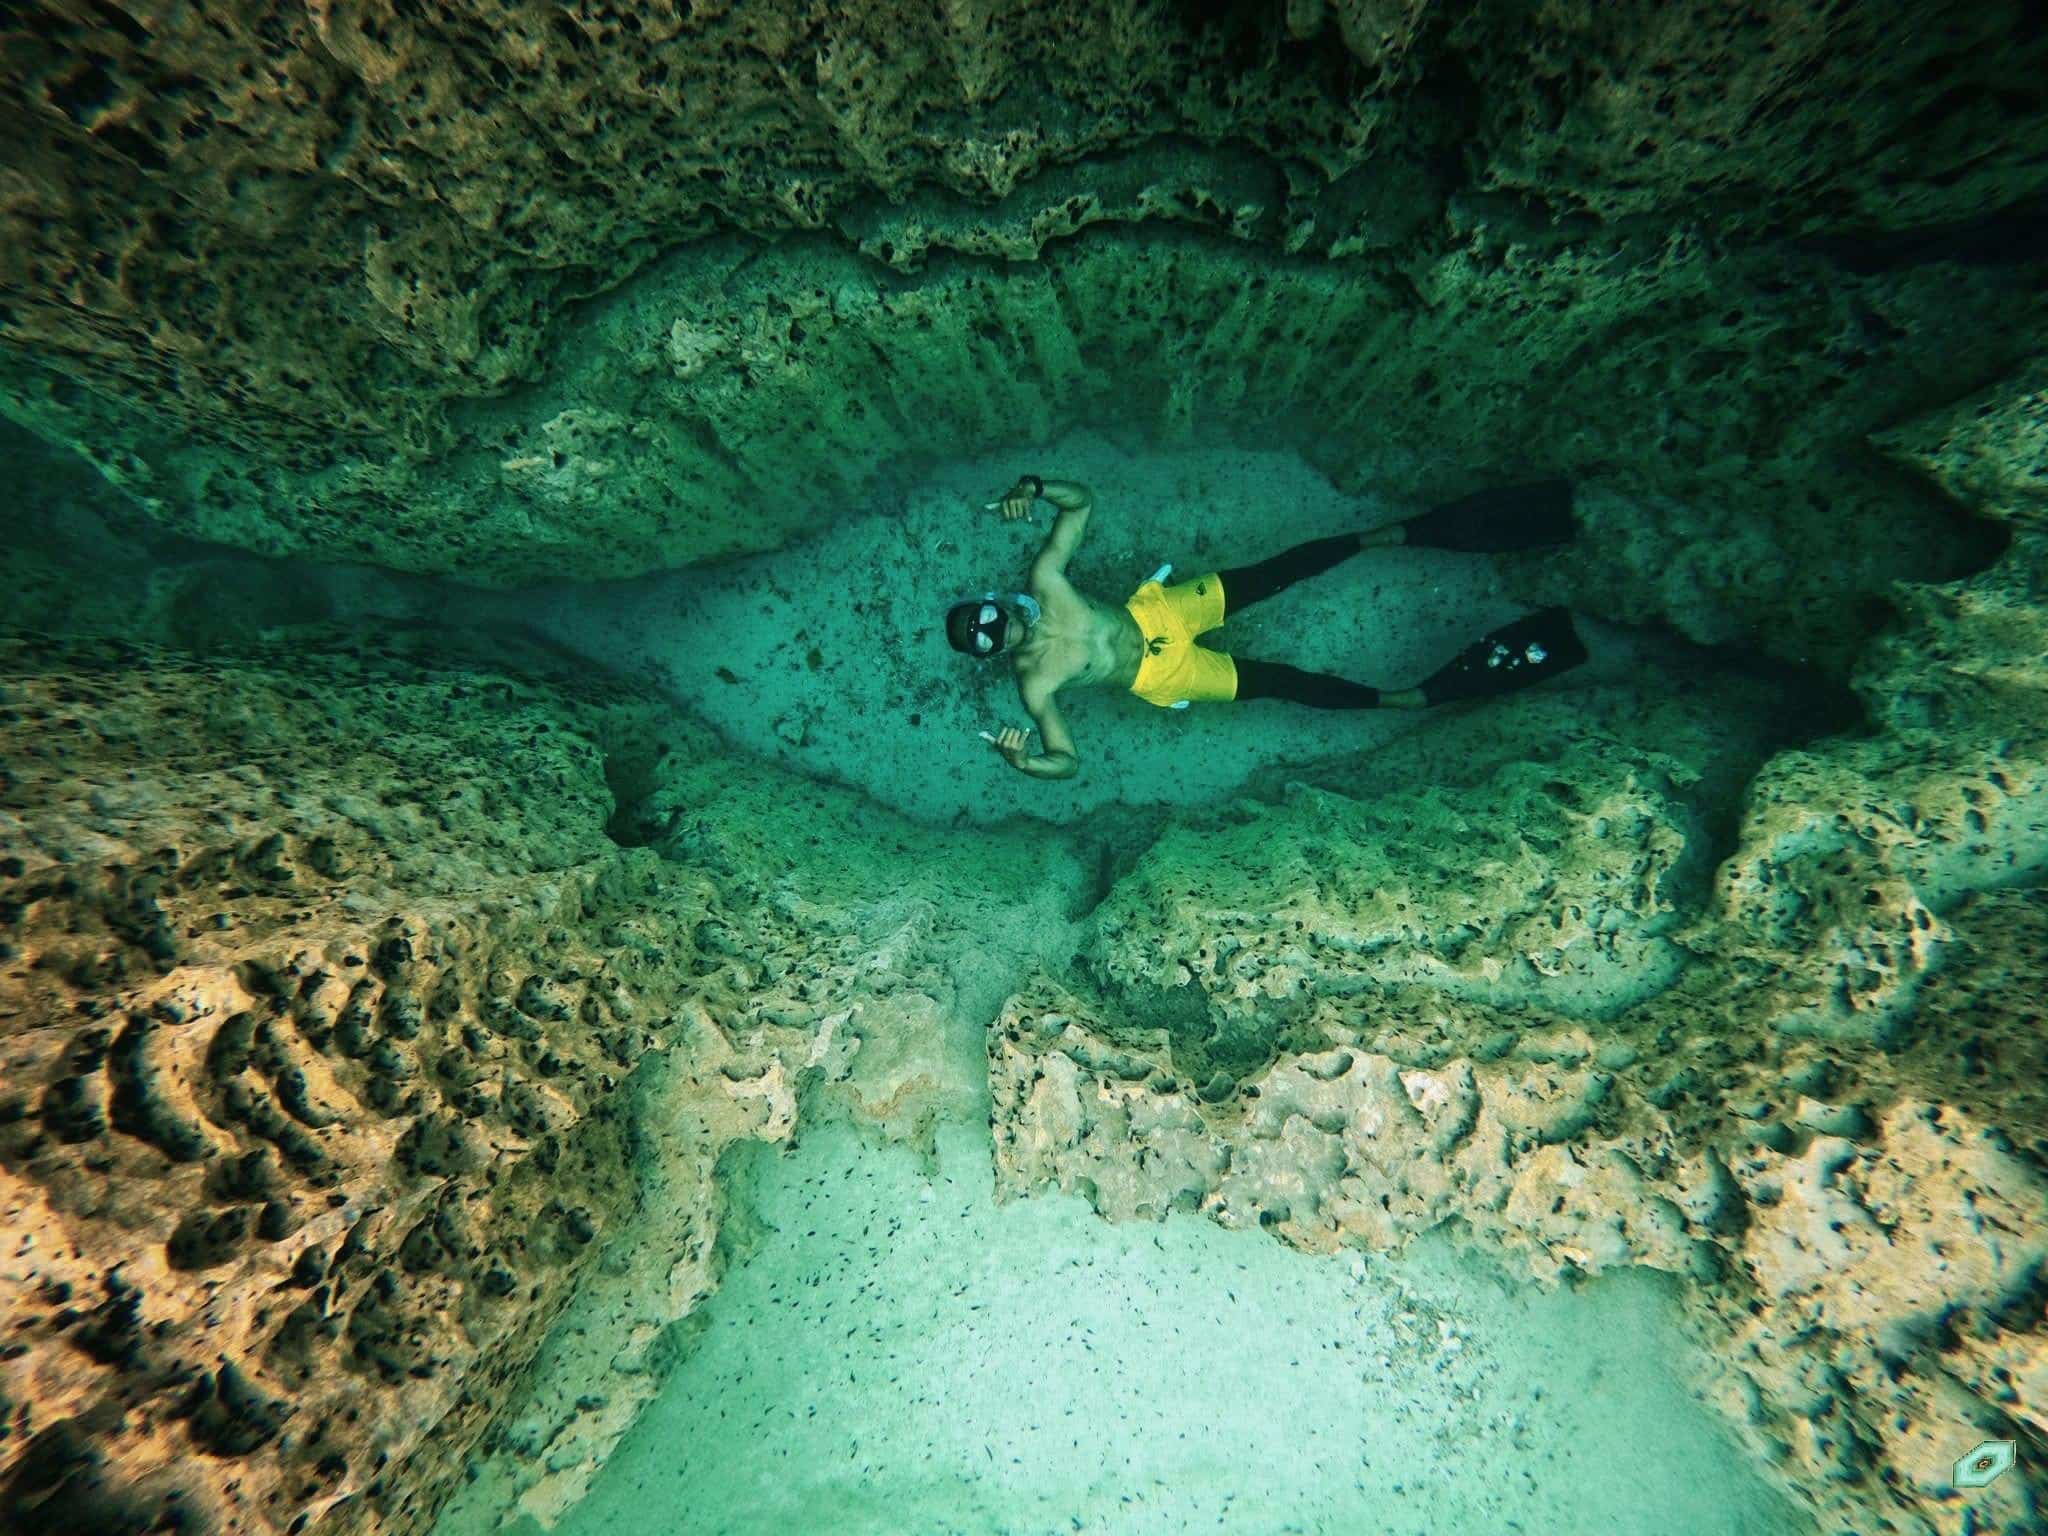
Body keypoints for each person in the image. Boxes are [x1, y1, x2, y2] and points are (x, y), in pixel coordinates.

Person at [946, 475, 1587, 780]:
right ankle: (1407, 697)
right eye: (985, 640)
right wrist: (1025, 763)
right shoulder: (1034, 688)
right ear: (988, 656)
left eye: (986, 618)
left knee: (1278, 571)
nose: (995, 631)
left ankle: (1395, 536)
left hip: (1160, 612)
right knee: (1283, 681)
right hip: (1158, 671)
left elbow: (1081, 501)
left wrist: (1032, 486)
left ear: (991, 603)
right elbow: (1068, 760)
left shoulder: (1046, 581)